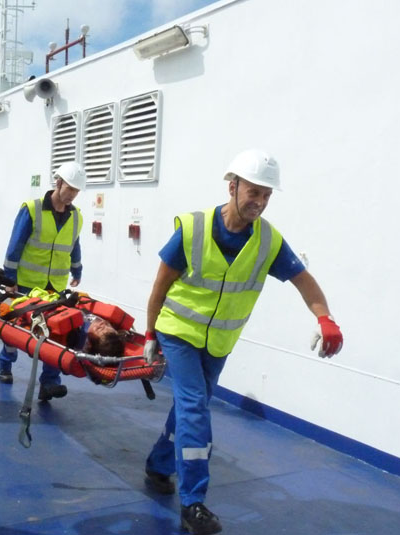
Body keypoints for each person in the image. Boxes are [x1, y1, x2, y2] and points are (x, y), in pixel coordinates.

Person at [141, 149, 344, 535]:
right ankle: (193, 503)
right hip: (179, 333)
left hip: (218, 341)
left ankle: (159, 464)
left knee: (191, 406)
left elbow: (304, 281)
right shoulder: (193, 229)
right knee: (194, 408)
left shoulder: (268, 241)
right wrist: (150, 333)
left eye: (267, 195)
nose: (260, 202)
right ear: (232, 186)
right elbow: (160, 285)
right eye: (254, 192)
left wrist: (325, 317)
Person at [0, 162, 85, 401]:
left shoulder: (76, 216)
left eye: (77, 191)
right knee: (14, 329)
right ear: (58, 183)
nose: (72, 195)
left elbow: (73, 245)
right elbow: (15, 245)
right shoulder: (32, 209)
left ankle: (49, 382)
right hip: (27, 283)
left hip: (55, 286)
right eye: (70, 188)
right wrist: (9, 278)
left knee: (57, 333)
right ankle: (5, 364)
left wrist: (77, 270)